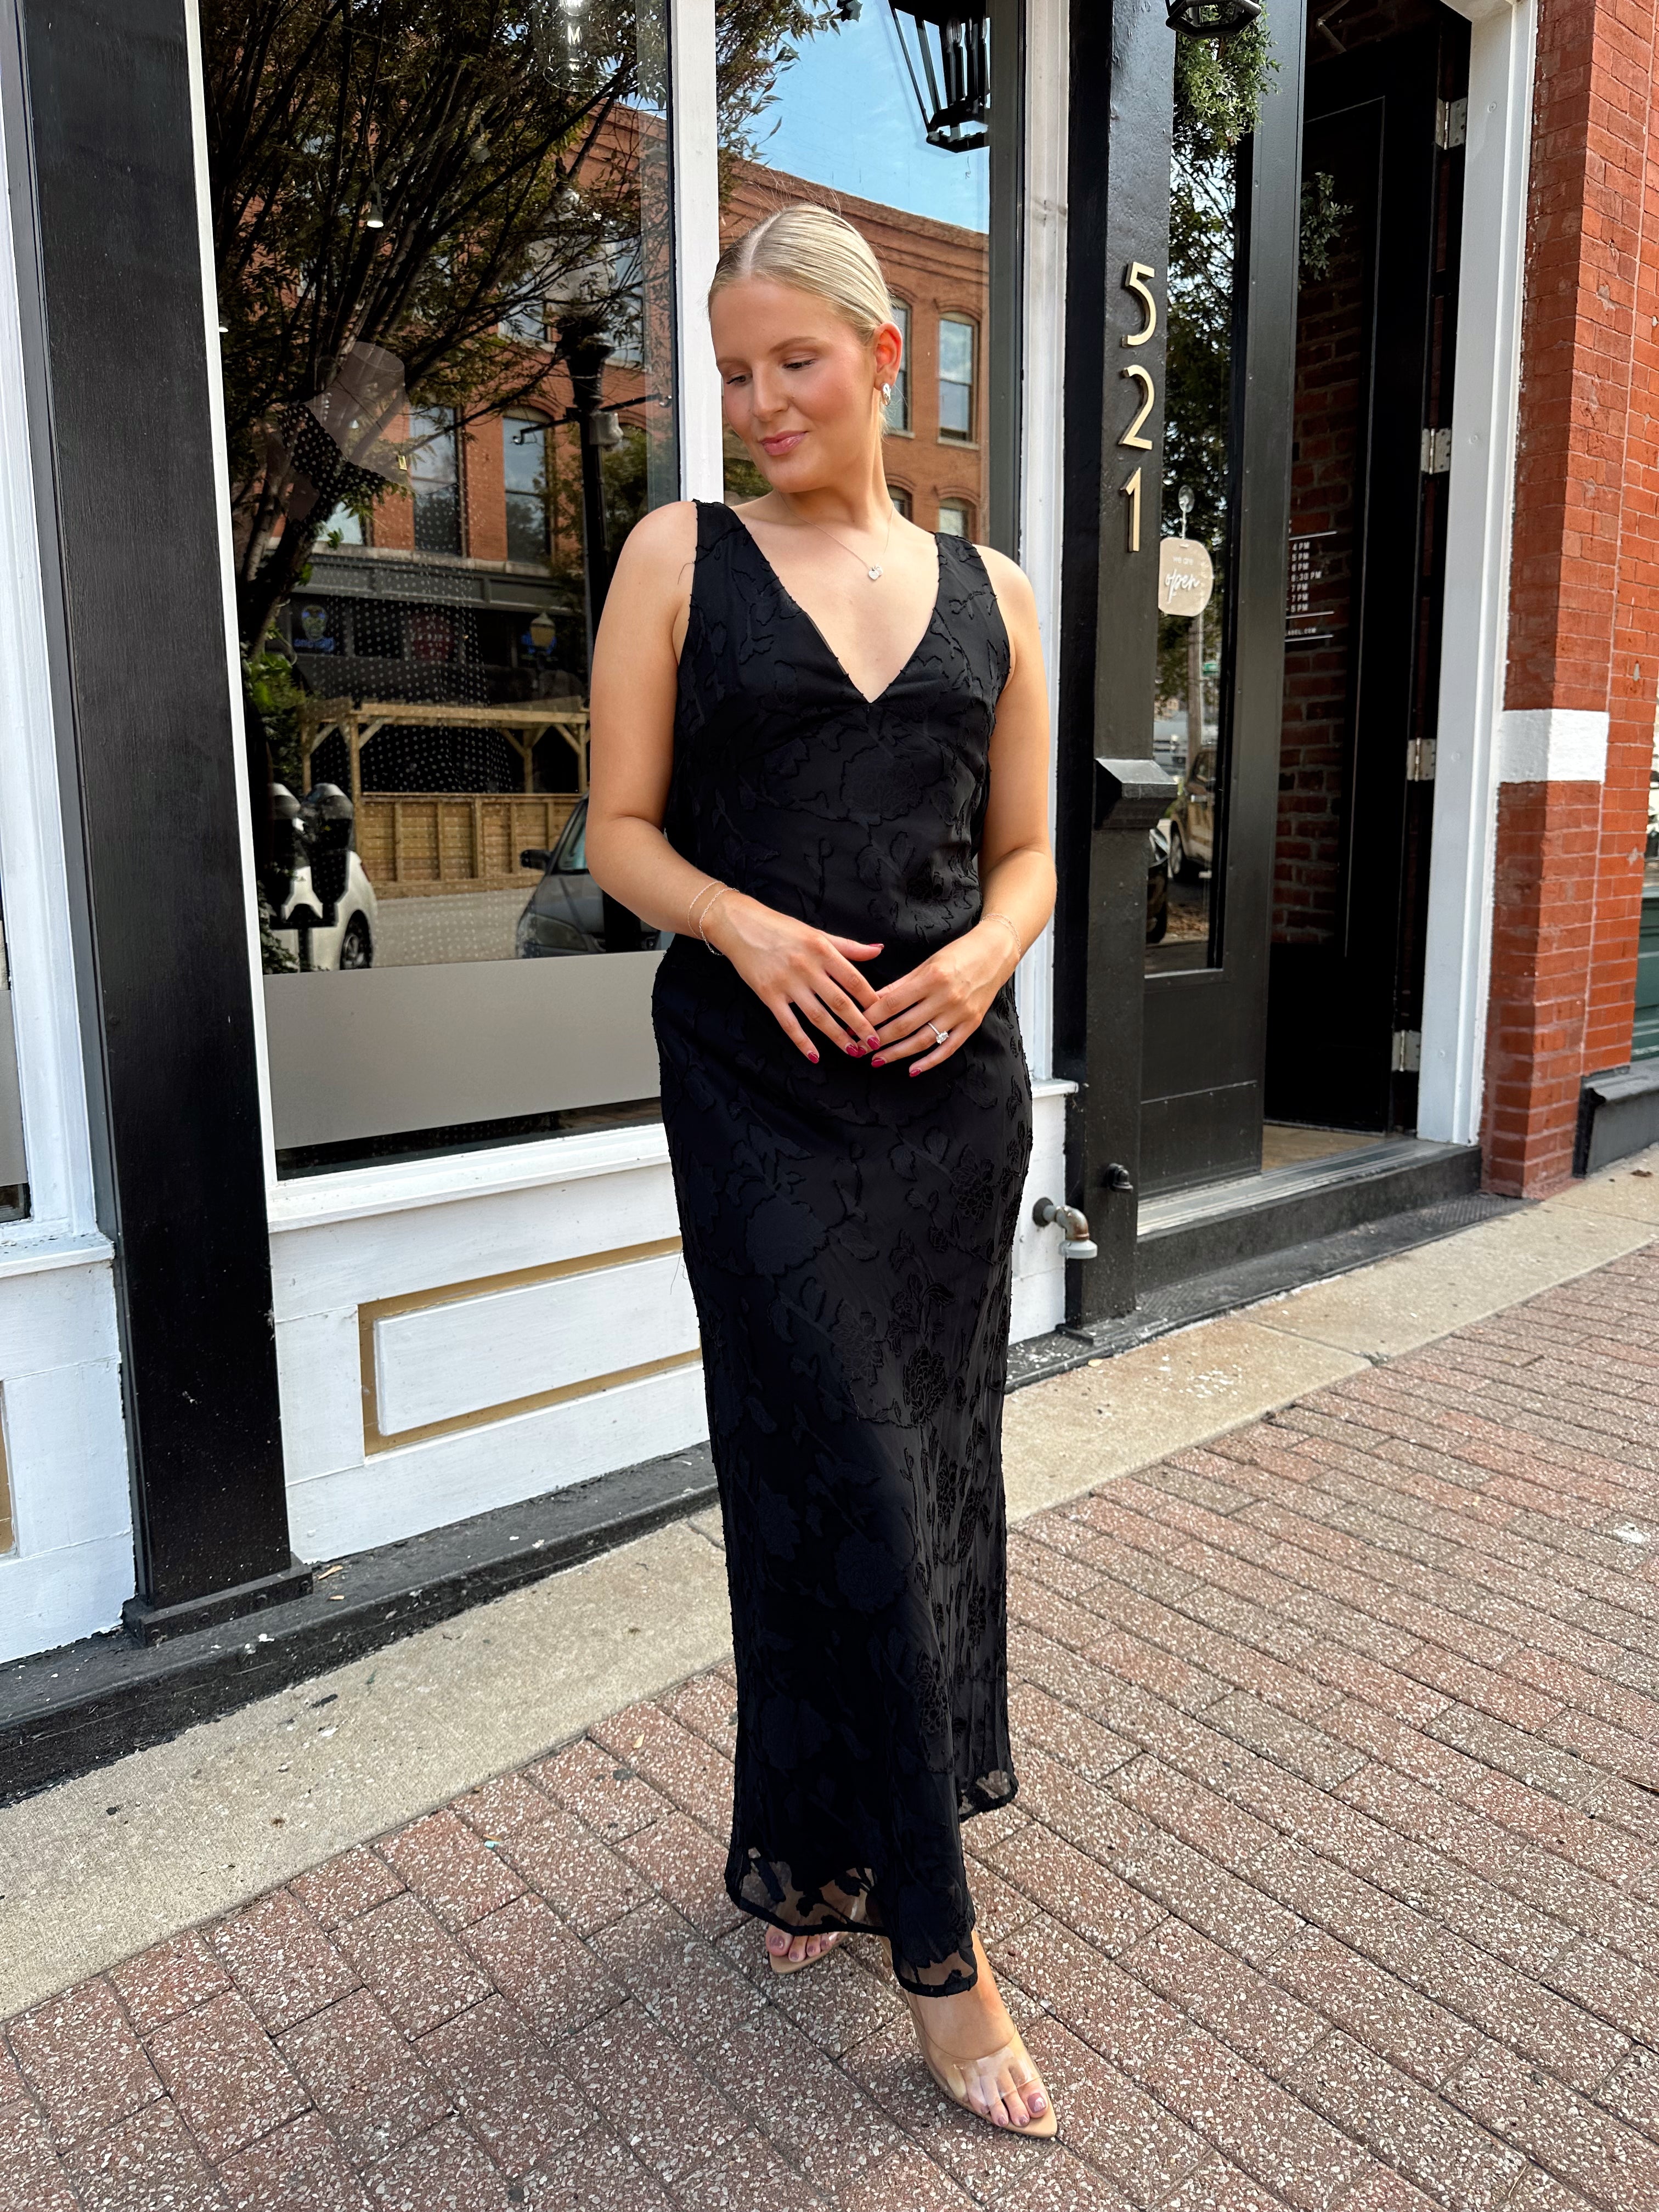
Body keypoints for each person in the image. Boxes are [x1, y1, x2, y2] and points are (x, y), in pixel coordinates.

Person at [585, 204, 1059, 2137]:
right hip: (760, 1099)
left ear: (884, 360)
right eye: (731, 368)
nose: (759, 399)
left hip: (950, 1106)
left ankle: (815, 1838)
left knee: (926, 1469)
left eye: (795, 360)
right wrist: (742, 927)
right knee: (826, 1460)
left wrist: (982, 957)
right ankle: (942, 1960)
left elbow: (1025, 853)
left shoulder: (1000, 592)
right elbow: (615, 829)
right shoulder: (675, 561)